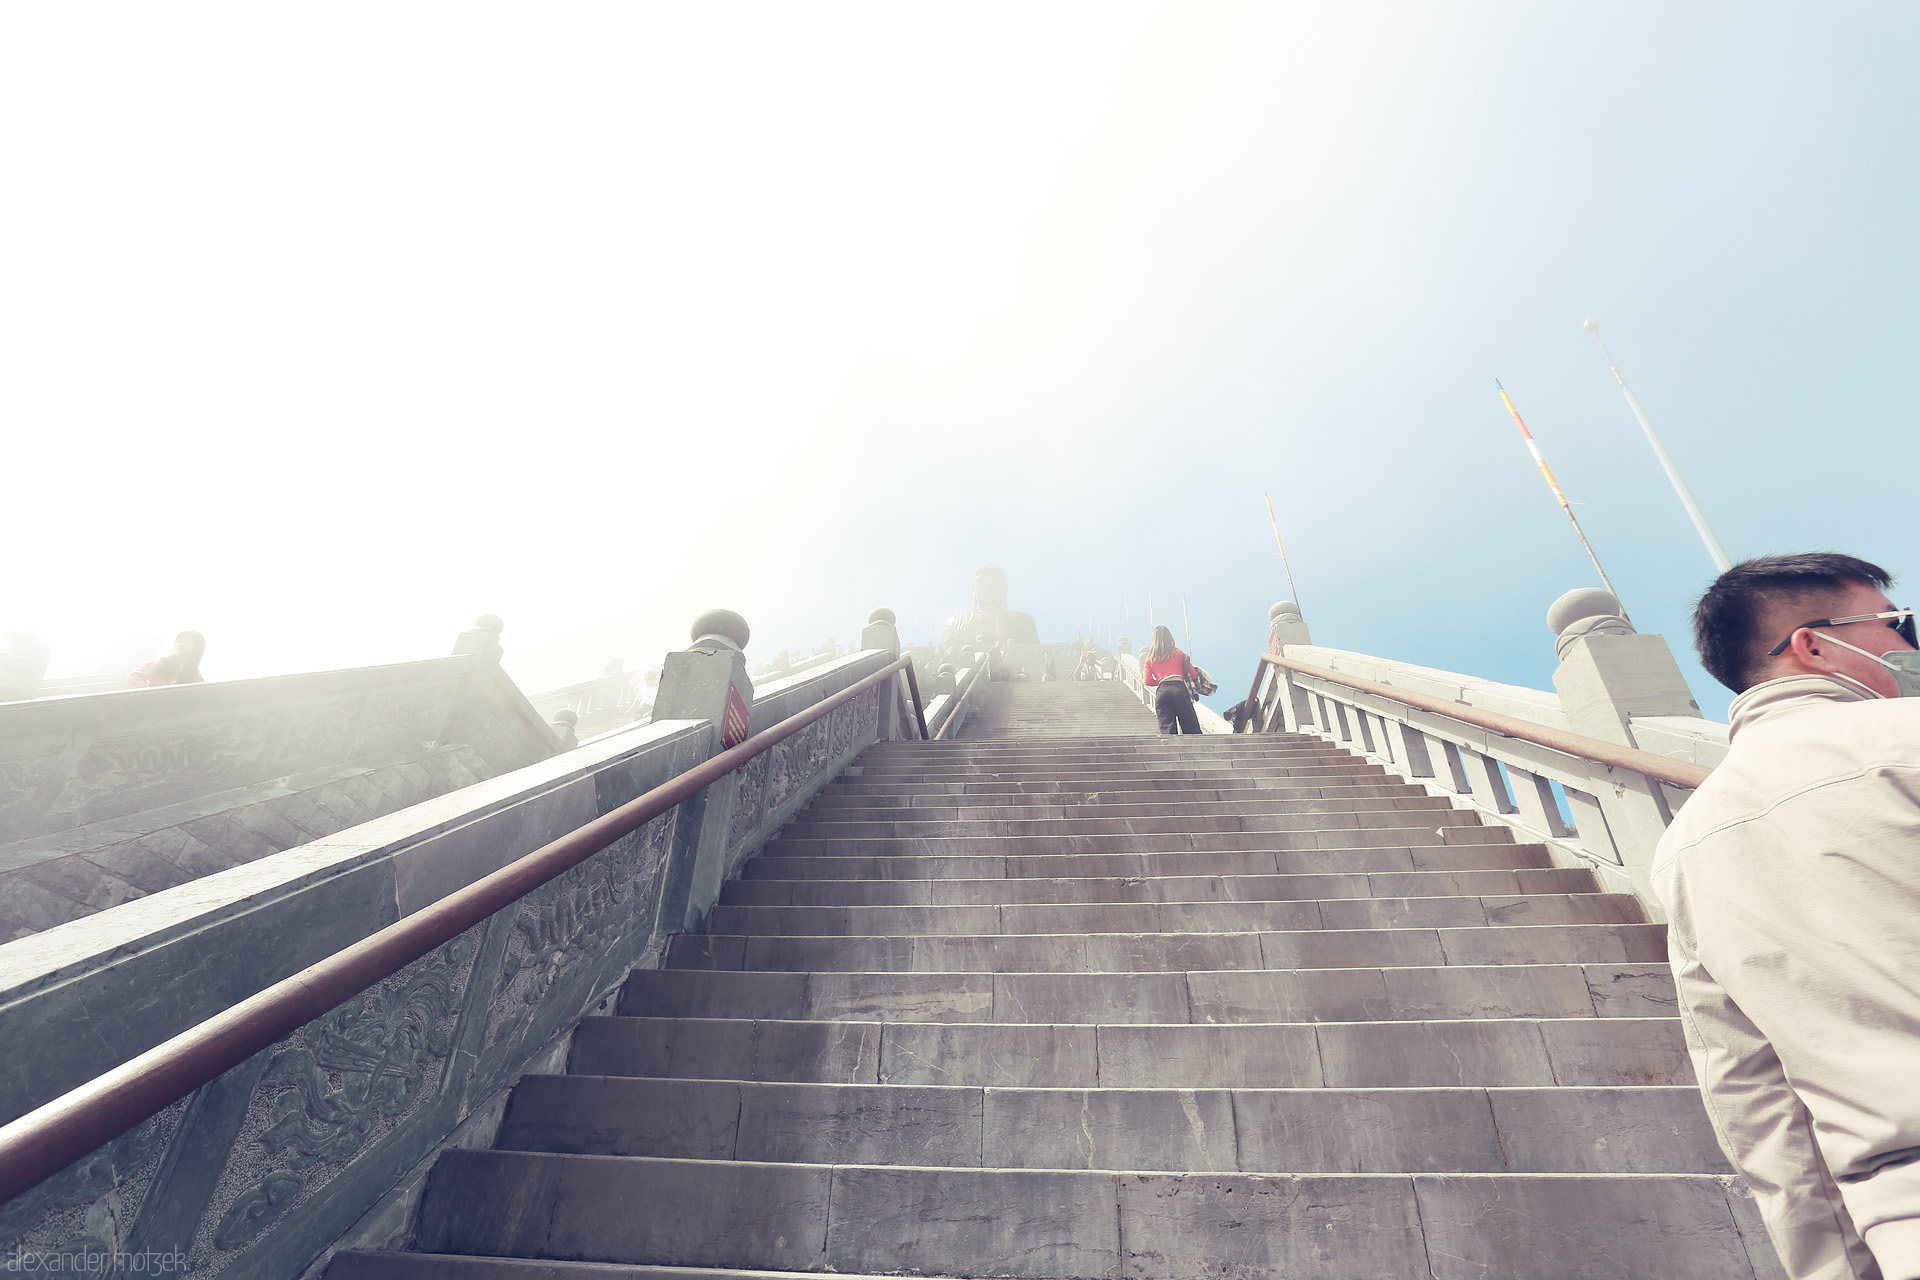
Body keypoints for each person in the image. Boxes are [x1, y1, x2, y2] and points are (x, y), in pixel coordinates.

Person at [1653, 553, 1920, 1280]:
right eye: (1900, 627)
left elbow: (1756, 1098)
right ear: (1814, 643)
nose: (1908, 648)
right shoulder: (1905, 737)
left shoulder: (1682, 849)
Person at [1141, 625, 1202, 734]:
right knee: (1190, 727)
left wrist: (1160, 680)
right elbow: (1193, 674)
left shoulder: (1150, 658)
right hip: (1179, 689)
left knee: (1167, 730)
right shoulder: (1179, 653)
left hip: (1162, 692)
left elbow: (1147, 680)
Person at [127, 631, 206, 688]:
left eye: (188, 642)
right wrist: (146, 695)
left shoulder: (197, 678)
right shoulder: (162, 662)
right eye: (179, 641)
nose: (181, 644)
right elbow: (134, 676)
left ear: (197, 648)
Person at [0, 631, 51, 701]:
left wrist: (3, 657)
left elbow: (27, 663)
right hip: (12, 689)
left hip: (18, 691)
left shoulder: (37, 645)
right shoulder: (17, 647)